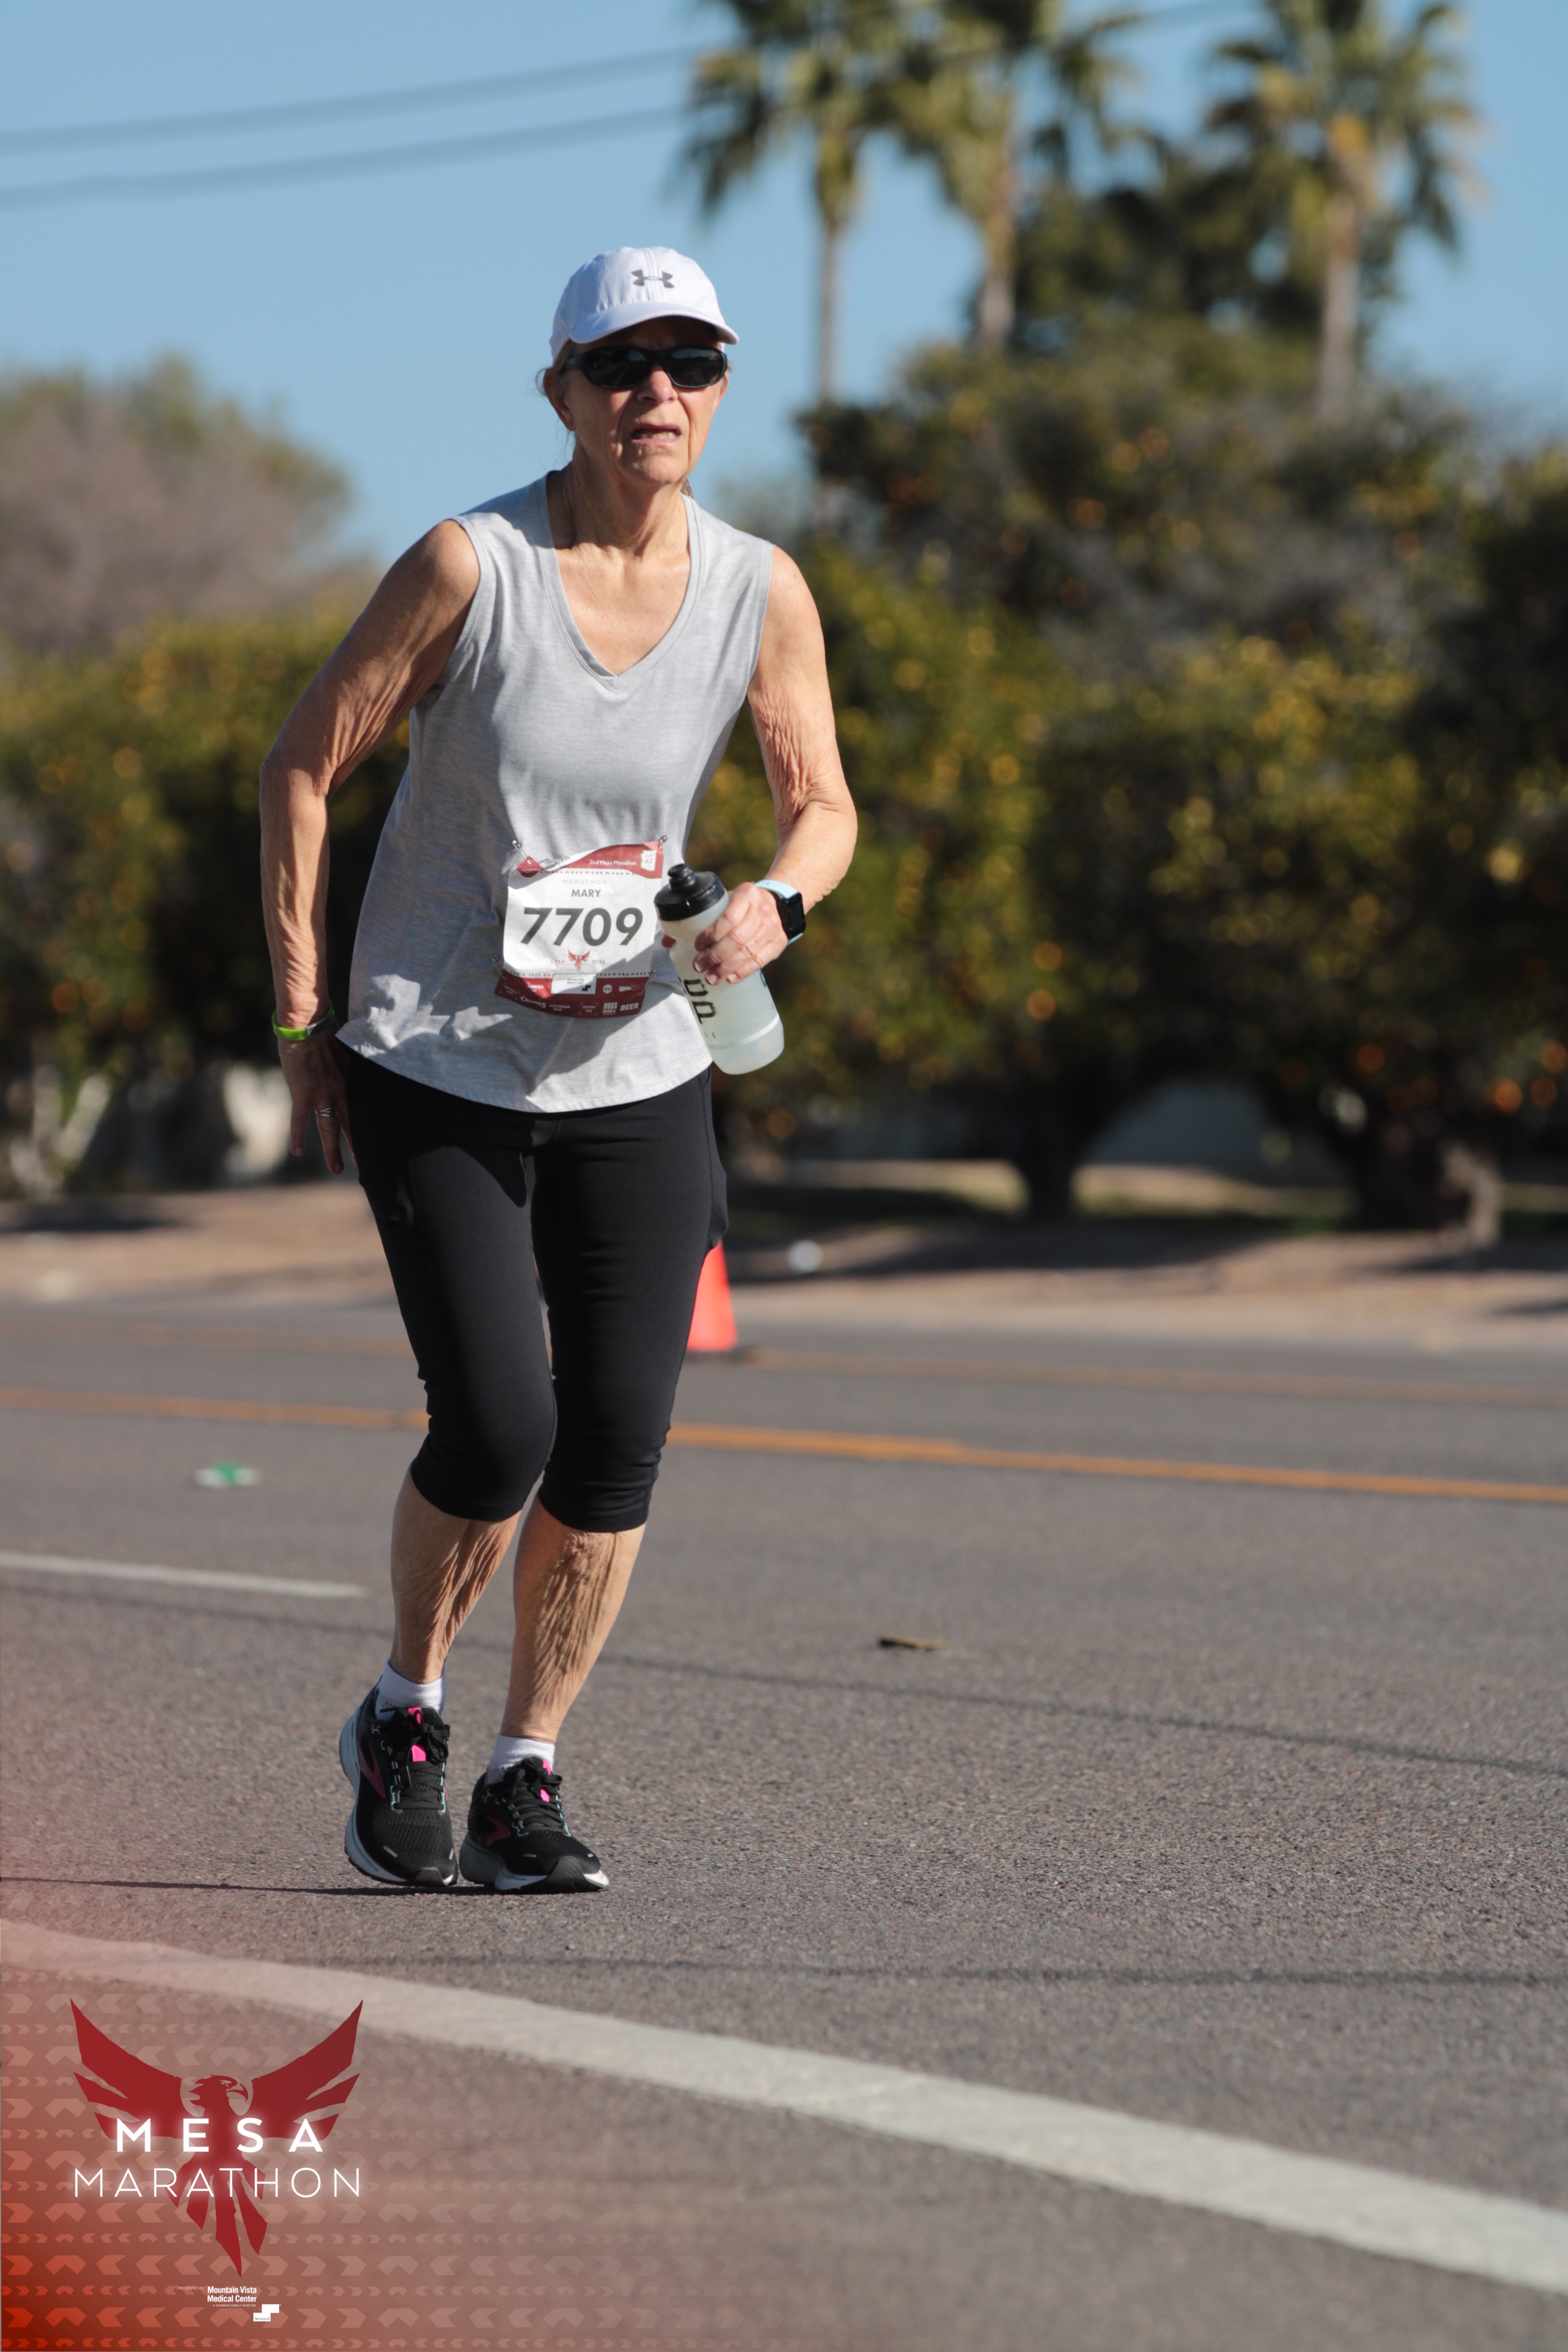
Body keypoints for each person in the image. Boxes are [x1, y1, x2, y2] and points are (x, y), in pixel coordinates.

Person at [259, 247, 856, 1893]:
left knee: (613, 1439)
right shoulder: (473, 567)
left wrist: (777, 903)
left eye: (691, 363)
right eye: (622, 364)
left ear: (718, 392)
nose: (657, 392)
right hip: (438, 1056)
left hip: (639, 1060)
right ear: (562, 391)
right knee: (498, 1427)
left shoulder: (760, 589)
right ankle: (406, 1710)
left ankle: (525, 1774)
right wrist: (304, 1023)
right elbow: (304, 764)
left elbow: (823, 803)